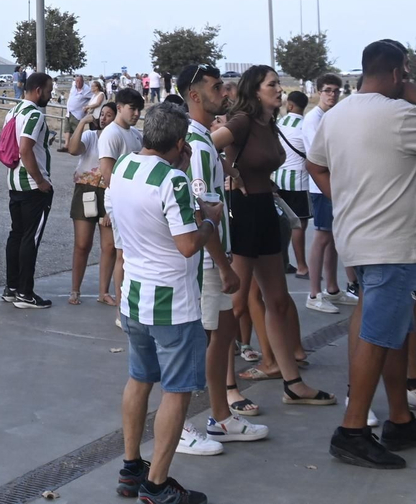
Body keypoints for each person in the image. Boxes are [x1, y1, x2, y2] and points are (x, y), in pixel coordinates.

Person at [305, 39, 416, 469]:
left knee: (387, 329)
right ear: (397, 73)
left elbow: (314, 165)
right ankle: (353, 429)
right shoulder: (402, 114)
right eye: (407, 73)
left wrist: (345, 200)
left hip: (359, 236)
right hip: (394, 242)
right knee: (379, 333)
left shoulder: (336, 115)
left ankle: (399, 416)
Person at [111, 102, 221, 503]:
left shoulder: (123, 168)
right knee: (176, 391)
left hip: (134, 294)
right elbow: (188, 244)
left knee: (139, 379)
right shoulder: (172, 179)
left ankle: (130, 466)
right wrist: (212, 219)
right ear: (179, 144)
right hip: (172, 301)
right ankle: (156, 485)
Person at [212, 66, 330, 407]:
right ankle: (229, 387)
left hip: (265, 208)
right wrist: (229, 170)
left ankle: (293, 382)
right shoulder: (242, 122)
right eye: (273, 84)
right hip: (243, 210)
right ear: (255, 90)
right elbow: (204, 147)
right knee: (235, 304)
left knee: (276, 300)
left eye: (278, 83)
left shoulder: (269, 124)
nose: (280, 89)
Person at [176, 63, 265, 450]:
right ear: (194, 95)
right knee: (209, 339)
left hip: (217, 255)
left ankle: (221, 417)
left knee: (223, 335)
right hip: (210, 261)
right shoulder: (195, 145)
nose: (224, 94)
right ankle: (197, 422)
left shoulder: (204, 140)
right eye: (215, 87)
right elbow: (201, 212)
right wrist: (224, 264)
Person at [4, 72, 56, 310]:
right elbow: (25, 149)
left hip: (14, 181)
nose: (50, 95)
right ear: (37, 91)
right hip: (32, 185)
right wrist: (40, 180)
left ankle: (12, 287)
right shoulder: (34, 114)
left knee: (16, 235)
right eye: (48, 91)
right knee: (30, 238)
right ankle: (25, 292)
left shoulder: (12, 112)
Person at [301, 73, 350, 310]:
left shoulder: (332, 117)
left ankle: (332, 288)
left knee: (332, 238)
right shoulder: (313, 119)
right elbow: (317, 156)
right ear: (319, 91)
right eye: (328, 90)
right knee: (321, 237)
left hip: (335, 183)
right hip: (321, 186)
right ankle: (313, 294)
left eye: (336, 91)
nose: (332, 95)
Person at [67, 100, 118, 304]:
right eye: (102, 114)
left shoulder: (119, 139)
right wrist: (82, 123)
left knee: (109, 246)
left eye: (109, 115)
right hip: (86, 191)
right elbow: (73, 149)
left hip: (109, 192)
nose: (104, 118)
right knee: (82, 244)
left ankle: (103, 292)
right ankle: (74, 290)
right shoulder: (90, 136)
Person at [97, 87, 146, 299]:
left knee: (135, 253)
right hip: (120, 200)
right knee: (123, 254)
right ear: (119, 107)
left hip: (136, 200)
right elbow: (108, 175)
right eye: (132, 109)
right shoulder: (111, 134)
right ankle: (121, 306)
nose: (136, 114)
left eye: (139, 110)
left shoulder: (136, 134)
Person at [275, 90, 311, 279]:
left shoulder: (280, 123)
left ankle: (284, 261)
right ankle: (302, 266)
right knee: (299, 225)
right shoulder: (305, 126)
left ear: (290, 105)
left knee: (285, 223)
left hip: (279, 178)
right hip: (299, 180)